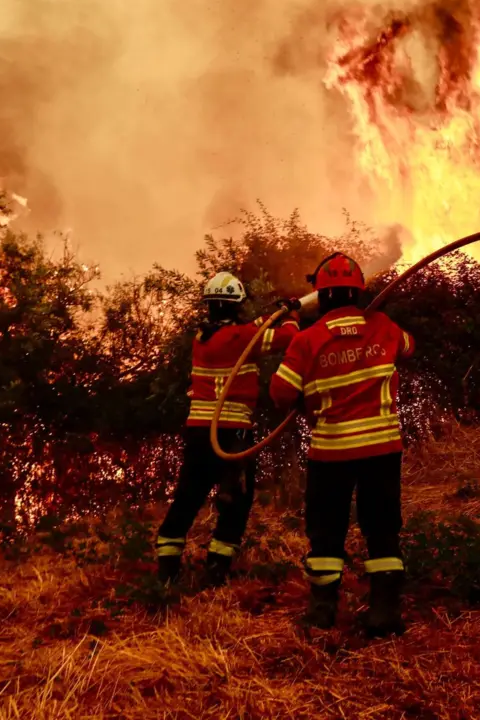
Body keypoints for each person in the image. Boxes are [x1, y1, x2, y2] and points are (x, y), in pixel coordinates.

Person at [269, 252, 415, 637]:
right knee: (382, 528)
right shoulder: (383, 326)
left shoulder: (306, 340)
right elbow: (408, 346)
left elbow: (280, 393)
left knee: (326, 531)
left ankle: (322, 612)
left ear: (322, 296)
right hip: (383, 450)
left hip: (332, 452)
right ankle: (384, 611)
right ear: (358, 293)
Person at [155, 271, 300, 587]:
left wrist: (273, 312)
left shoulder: (202, 337)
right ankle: (217, 569)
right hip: (232, 434)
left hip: (198, 434)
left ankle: (166, 570)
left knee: (187, 497)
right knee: (237, 501)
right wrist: (292, 316)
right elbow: (288, 338)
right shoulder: (243, 337)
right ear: (237, 306)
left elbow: (248, 329)